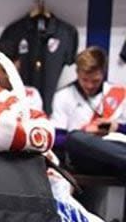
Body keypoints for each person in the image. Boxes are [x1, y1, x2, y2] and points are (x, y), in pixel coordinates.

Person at [51, 46, 126, 179]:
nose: (90, 86)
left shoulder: (119, 93)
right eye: (85, 80)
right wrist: (86, 133)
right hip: (84, 158)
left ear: (103, 73)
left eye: (95, 81)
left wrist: (117, 127)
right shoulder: (63, 96)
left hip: (115, 156)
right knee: (75, 138)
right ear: (77, 73)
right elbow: (56, 138)